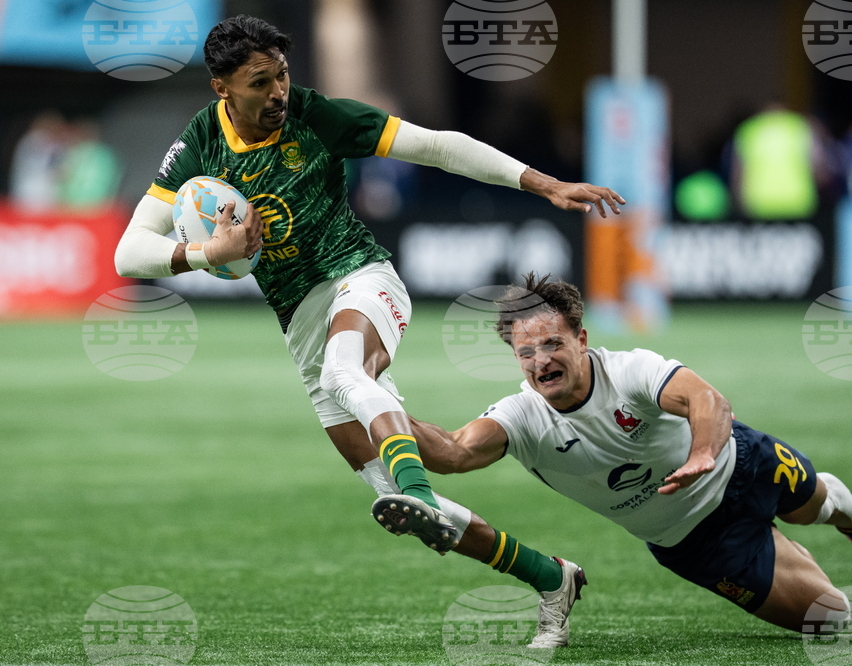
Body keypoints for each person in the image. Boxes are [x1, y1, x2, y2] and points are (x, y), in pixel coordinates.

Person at [114, 15, 621, 646]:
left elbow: (436, 146)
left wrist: (543, 183)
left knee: (347, 374)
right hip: (300, 317)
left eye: (282, 75)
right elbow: (129, 253)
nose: (278, 92)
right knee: (410, 476)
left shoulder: (316, 115)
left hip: (361, 277)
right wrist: (203, 254)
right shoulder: (199, 144)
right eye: (260, 82)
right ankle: (551, 577)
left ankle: (417, 491)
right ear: (223, 89)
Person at [409, 273, 852, 635]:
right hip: (693, 540)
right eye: (526, 353)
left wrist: (703, 454)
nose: (540, 361)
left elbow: (708, 400)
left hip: (742, 465)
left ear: (581, 339)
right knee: (830, 620)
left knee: (818, 508)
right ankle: (779, 552)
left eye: (552, 344)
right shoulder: (521, 418)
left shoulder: (629, 371)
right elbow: (454, 452)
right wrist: (380, 410)